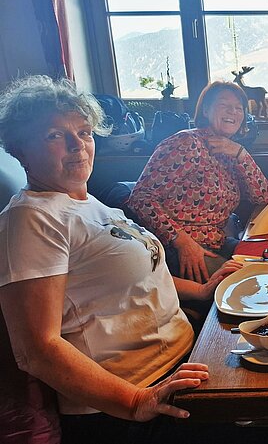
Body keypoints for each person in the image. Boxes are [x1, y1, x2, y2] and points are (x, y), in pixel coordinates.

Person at [0, 75, 245, 443]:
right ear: (20, 150)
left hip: (184, 359)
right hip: (131, 403)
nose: (77, 145)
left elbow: (141, 273)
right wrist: (135, 402)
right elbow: (36, 350)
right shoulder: (30, 219)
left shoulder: (88, 203)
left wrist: (201, 290)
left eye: (84, 132)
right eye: (55, 135)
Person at [128, 81, 268, 283]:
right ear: (205, 110)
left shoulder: (231, 150)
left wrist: (242, 155)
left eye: (239, 108)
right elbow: (140, 198)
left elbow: (262, 197)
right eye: (224, 105)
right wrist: (182, 242)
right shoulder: (187, 143)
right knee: (248, 283)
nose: (233, 111)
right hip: (178, 247)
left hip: (216, 242)